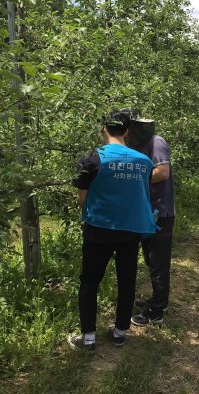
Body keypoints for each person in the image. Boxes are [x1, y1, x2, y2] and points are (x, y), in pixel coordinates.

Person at [69, 110, 157, 350]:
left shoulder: (91, 159)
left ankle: (88, 338)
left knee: (89, 282)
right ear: (127, 132)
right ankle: (119, 333)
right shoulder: (144, 162)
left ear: (103, 129)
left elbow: (81, 199)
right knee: (126, 281)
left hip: (99, 230)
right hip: (131, 230)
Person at [121, 114, 176, 327]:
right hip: (146, 212)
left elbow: (162, 172)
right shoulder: (141, 145)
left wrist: (134, 175)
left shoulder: (157, 142)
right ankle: (158, 299)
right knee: (151, 261)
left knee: (159, 263)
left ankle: (157, 311)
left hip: (160, 213)